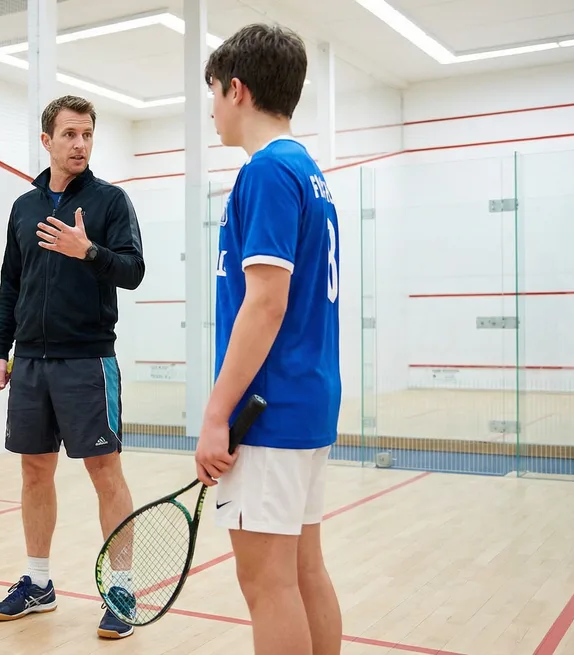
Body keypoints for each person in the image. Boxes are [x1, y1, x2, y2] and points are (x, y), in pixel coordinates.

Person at [193, 23, 344, 655]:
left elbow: (265, 305)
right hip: (306, 406)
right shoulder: (308, 170)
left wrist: (215, 413)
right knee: (304, 570)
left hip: (267, 412)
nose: (211, 110)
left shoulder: (265, 174)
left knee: (267, 584)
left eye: (213, 94)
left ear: (237, 89)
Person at [0, 94, 146, 640]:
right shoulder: (24, 207)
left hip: (87, 362)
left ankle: (121, 588)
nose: (80, 144)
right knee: (34, 470)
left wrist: (89, 252)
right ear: (47, 140)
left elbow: (133, 271)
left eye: (87, 135)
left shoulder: (110, 202)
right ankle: (38, 582)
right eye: (70, 134)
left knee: (105, 472)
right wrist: (0, 348)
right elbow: (12, 282)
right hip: (29, 362)